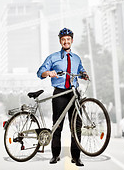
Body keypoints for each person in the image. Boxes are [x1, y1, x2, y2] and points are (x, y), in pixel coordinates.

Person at [37, 28, 88, 167]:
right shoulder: (53, 57)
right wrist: (48, 73)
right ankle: (55, 155)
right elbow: (40, 72)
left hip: (74, 94)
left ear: (71, 41)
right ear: (60, 41)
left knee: (77, 126)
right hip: (60, 93)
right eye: (63, 39)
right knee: (57, 125)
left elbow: (81, 69)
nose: (66, 41)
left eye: (68, 39)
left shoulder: (76, 58)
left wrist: (84, 73)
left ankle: (76, 157)